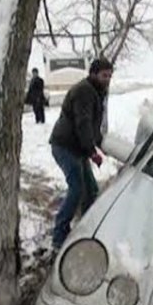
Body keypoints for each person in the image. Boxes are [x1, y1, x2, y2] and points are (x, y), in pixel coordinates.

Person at [49, 57, 114, 250]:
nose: (107, 79)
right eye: (104, 75)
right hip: (65, 146)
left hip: (77, 147)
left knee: (91, 189)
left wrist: (101, 143)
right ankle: (59, 236)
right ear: (93, 74)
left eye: (110, 75)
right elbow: (83, 123)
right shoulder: (84, 91)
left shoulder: (96, 91)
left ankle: (85, 228)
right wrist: (91, 151)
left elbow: (93, 125)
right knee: (77, 188)